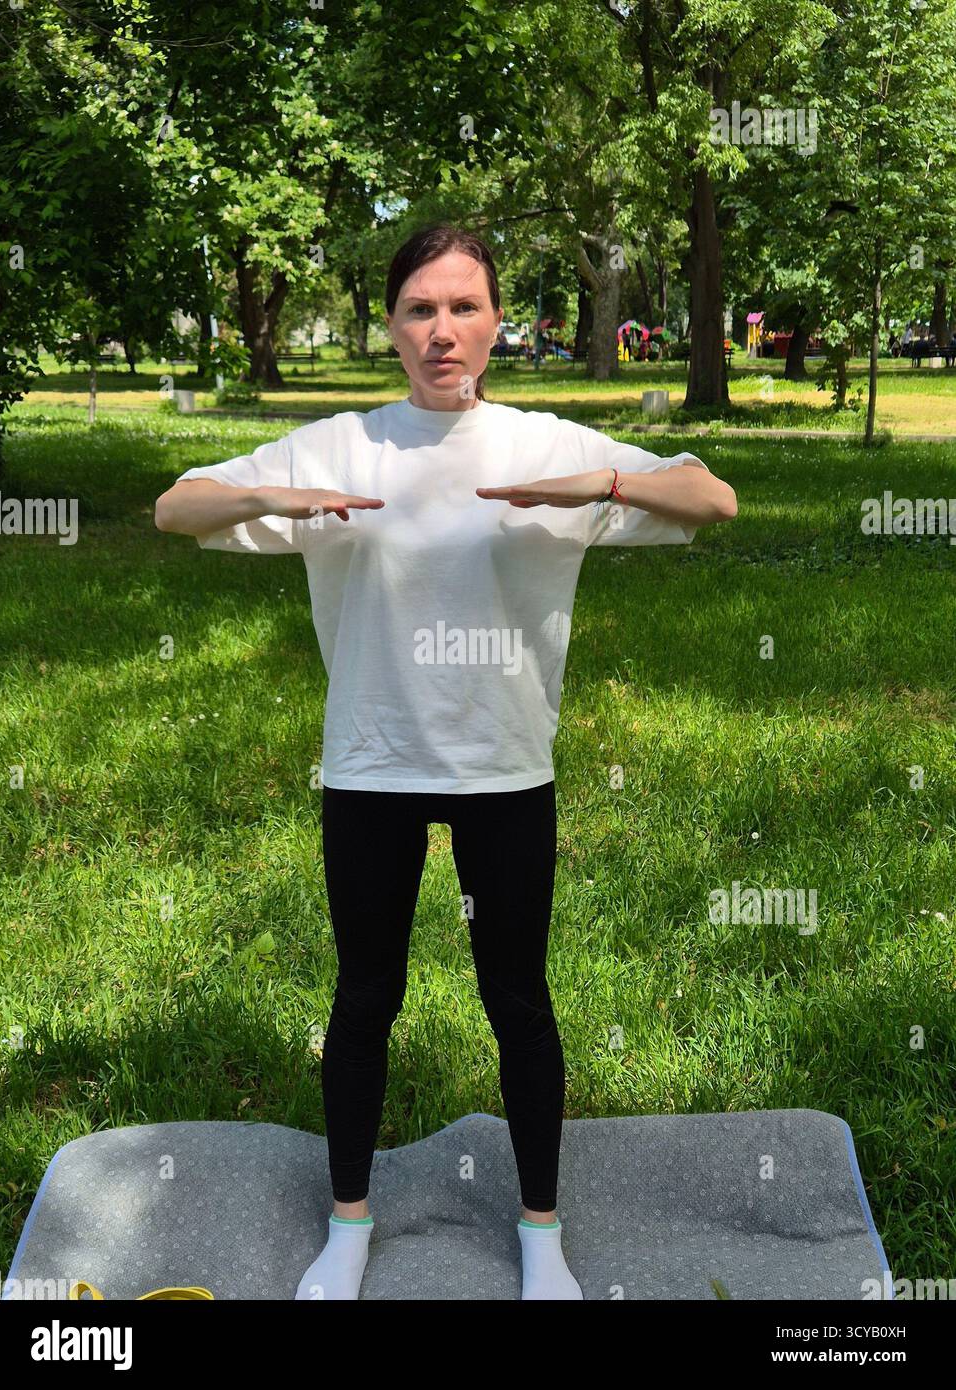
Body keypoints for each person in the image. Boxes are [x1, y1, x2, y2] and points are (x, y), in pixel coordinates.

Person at [154, 223, 737, 1301]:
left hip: (505, 769)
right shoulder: (341, 443)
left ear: (498, 321)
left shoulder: (540, 445)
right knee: (366, 993)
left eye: (464, 307)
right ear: (390, 326)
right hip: (371, 767)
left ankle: (540, 1231)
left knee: (518, 997)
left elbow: (713, 498)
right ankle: (347, 1223)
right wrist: (272, 498)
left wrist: (600, 482)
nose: (442, 331)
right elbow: (173, 504)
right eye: (419, 308)